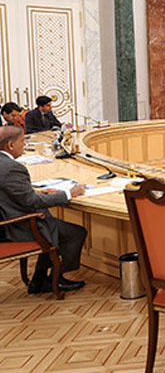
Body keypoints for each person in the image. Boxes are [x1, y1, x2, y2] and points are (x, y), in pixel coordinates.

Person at [0, 125, 87, 293]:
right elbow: (32, 202)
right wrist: (69, 193)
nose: (25, 145)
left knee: (54, 230)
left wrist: (36, 192)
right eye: (22, 141)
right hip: (19, 225)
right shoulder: (12, 168)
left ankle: (38, 281)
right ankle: (56, 278)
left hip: (8, 220)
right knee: (76, 234)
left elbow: (10, 192)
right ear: (10, 145)